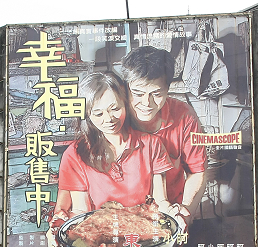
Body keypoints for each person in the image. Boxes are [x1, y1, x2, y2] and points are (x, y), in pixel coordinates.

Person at [52, 71, 177, 223]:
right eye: (98, 114)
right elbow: (81, 210)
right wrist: (61, 220)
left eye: (115, 109)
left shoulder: (152, 145)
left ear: (125, 103)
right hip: (101, 233)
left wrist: (173, 213)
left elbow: (161, 202)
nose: (109, 119)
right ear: (87, 116)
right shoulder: (75, 154)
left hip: (144, 229)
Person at [120, 46, 207, 220]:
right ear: (126, 88)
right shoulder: (115, 116)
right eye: (137, 93)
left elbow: (197, 171)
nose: (146, 103)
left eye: (156, 94)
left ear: (168, 89)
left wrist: (184, 213)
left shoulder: (184, 116)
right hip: (122, 217)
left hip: (169, 213)